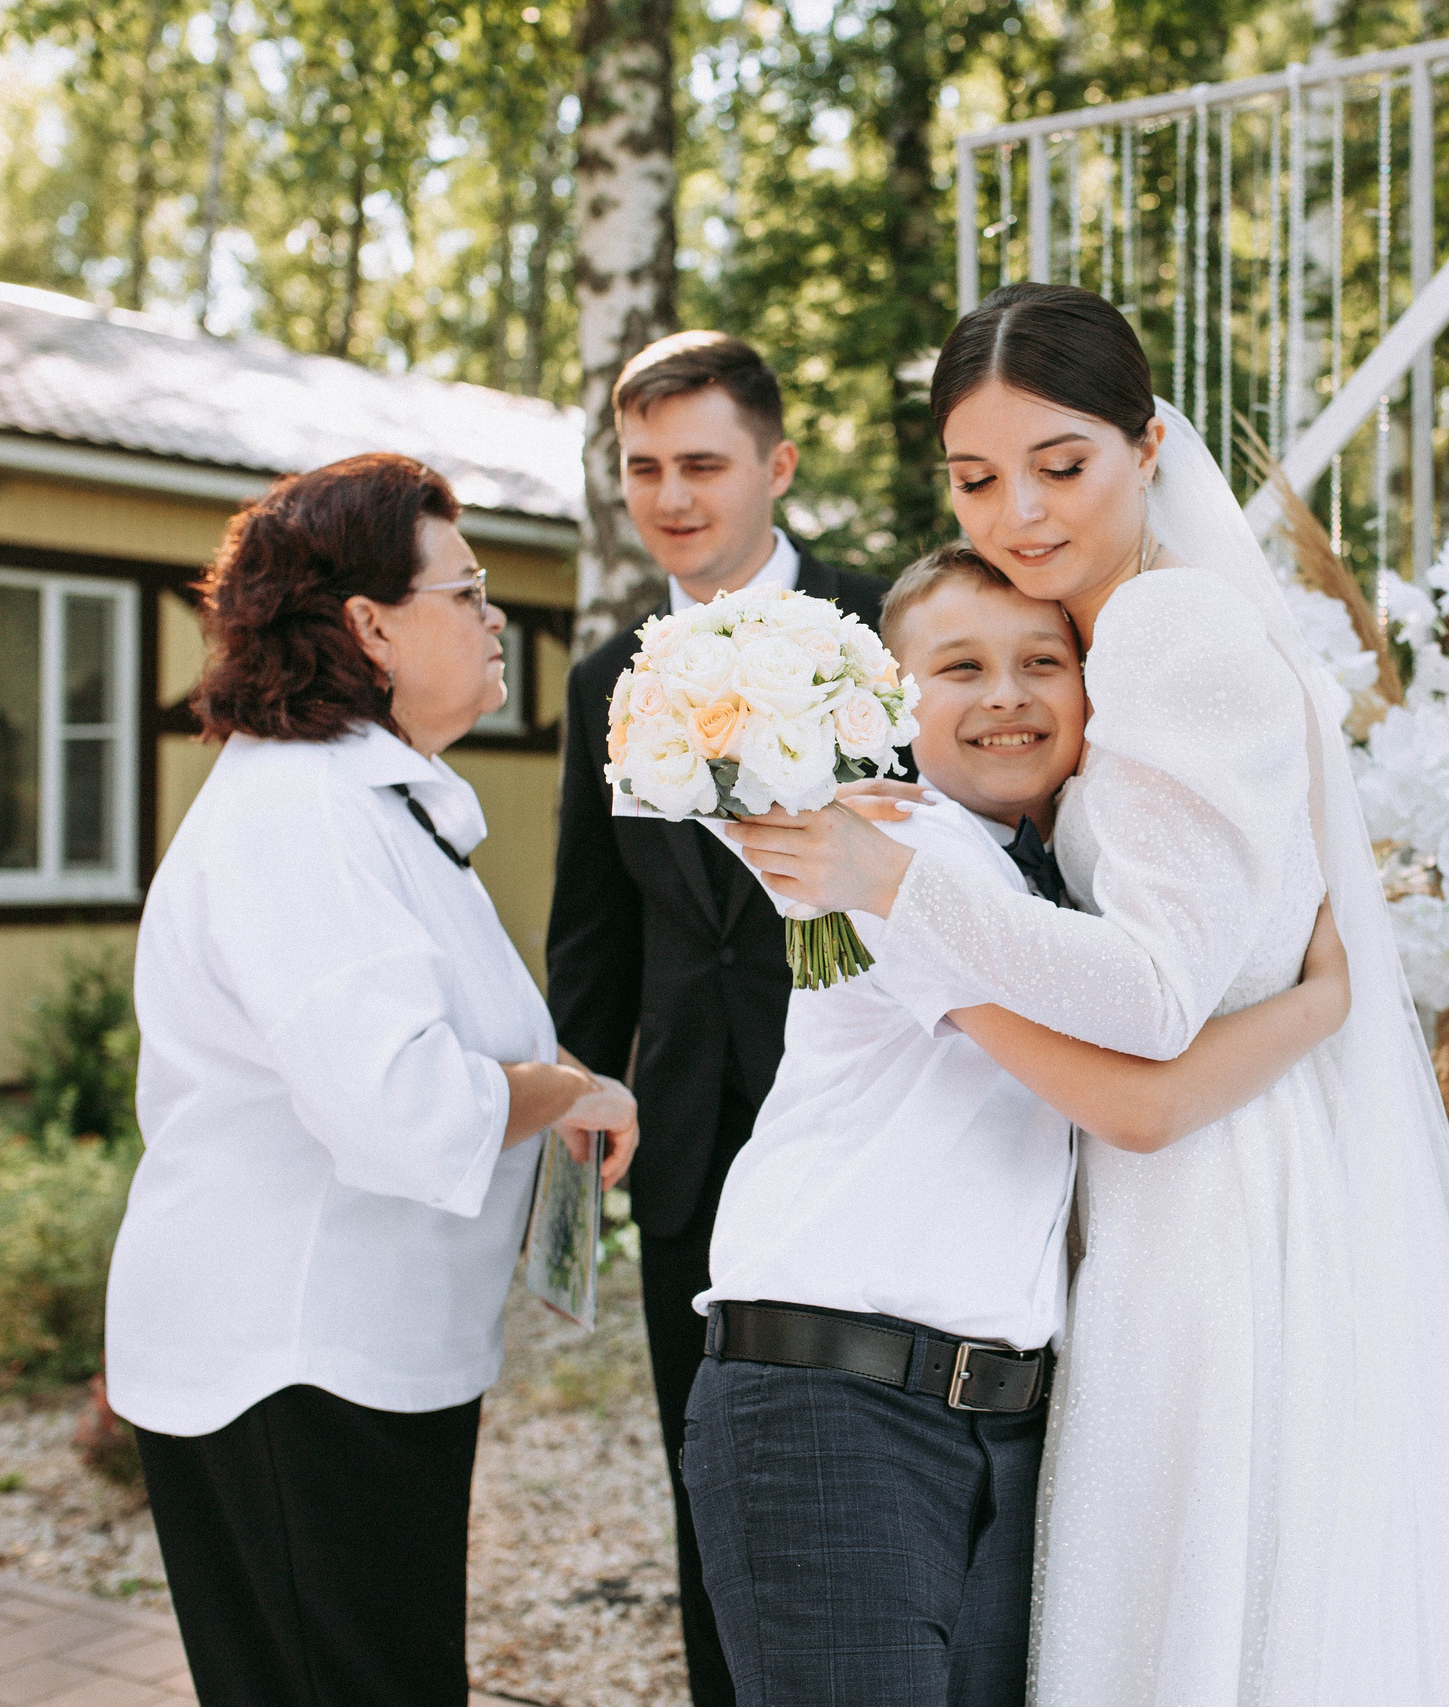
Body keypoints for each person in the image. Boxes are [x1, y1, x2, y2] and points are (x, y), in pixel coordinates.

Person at [730, 285, 1449, 1705]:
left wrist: (888, 878)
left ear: (1149, 446)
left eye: (1061, 463)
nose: (1019, 510)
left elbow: (1152, 993)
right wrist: (1315, 1005)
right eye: (976, 477)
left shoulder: (1163, 631)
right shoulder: (1100, 644)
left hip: (1205, 1208)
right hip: (1187, 1171)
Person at [682, 544, 1356, 1707]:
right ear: (891, 701)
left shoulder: (1037, 885)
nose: (1005, 693)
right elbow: (1135, 1106)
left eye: (1041, 660)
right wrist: (1323, 1004)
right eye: (959, 667)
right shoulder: (896, 862)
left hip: (987, 1421)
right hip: (832, 1402)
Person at [108, 453, 638, 1707]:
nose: (495, 614)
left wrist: (553, 1077)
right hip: (292, 1360)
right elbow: (404, 1107)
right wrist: (561, 1093)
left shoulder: (376, 800)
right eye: (467, 591)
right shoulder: (303, 813)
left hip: (357, 1355)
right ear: (369, 625)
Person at [547, 331, 889, 1707]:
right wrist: (581, 1085)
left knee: (875, 1449)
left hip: (872, 1116)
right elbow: (597, 921)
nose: (673, 495)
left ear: (777, 464)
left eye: (703, 463)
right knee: (714, 1461)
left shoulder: (890, 631)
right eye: (644, 468)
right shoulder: (603, 681)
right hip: (687, 1130)